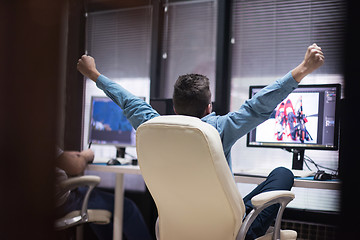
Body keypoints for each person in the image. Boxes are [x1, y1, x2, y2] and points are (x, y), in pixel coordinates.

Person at [77, 43, 324, 239]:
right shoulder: (218, 129)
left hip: (176, 226)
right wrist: (302, 69)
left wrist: (94, 74)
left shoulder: (152, 126)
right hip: (227, 229)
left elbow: (127, 100)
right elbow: (258, 106)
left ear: (174, 107)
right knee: (282, 173)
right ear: (209, 107)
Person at [55, 148, 152, 240]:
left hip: (48, 205)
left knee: (102, 216)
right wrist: (85, 156)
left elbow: (60, 157)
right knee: (127, 208)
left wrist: (73, 155)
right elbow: (75, 167)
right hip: (63, 202)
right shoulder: (44, 139)